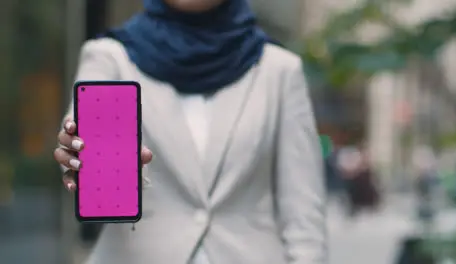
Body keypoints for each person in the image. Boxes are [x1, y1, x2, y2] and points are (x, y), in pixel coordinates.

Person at [53, 0, 326, 263]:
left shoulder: (279, 70)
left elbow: (303, 212)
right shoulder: (110, 57)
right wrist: (78, 151)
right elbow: (80, 128)